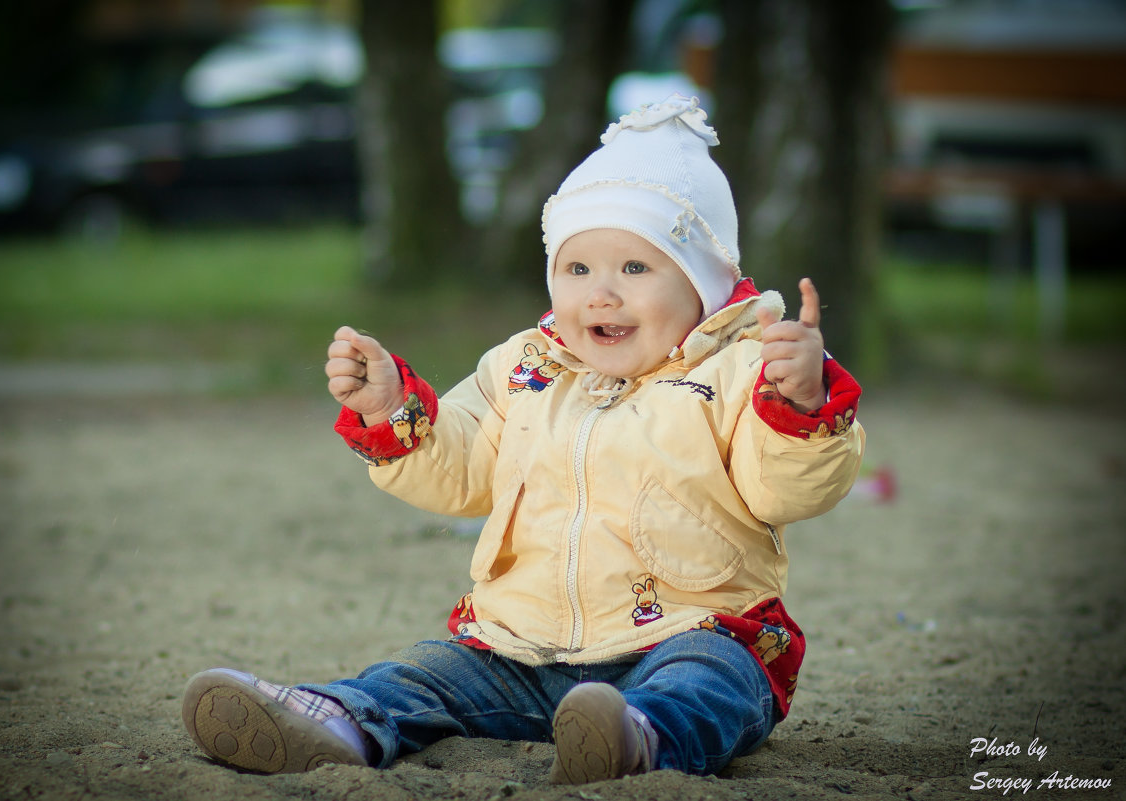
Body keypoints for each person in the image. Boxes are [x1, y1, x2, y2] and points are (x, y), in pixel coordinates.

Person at [181, 94, 865, 784]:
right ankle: (341, 719)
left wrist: (799, 401)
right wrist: (391, 409)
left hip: (690, 632)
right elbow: (462, 466)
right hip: (520, 649)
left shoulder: (743, 373)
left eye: (634, 268)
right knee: (428, 670)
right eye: (577, 269)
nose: (600, 294)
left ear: (705, 286)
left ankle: (642, 734)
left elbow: (784, 488)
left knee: (712, 684)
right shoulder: (523, 370)